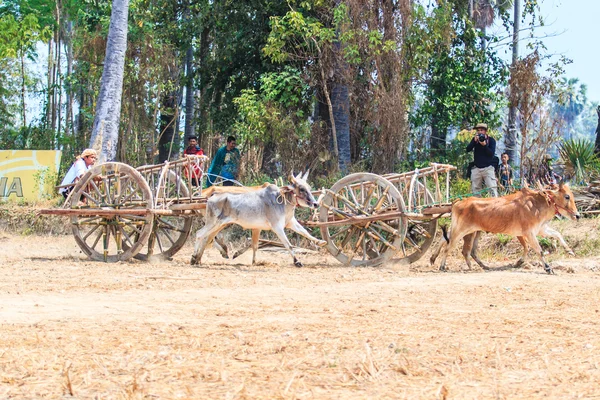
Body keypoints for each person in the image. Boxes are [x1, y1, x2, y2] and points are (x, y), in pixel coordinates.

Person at [466, 123, 498, 197]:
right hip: (477, 168)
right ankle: (478, 206)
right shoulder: (475, 140)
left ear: (485, 131)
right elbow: (468, 149)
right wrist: (474, 141)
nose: (480, 132)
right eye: (478, 130)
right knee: (475, 190)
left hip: (488, 168)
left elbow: (491, 154)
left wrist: (484, 145)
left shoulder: (491, 140)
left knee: (492, 189)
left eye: (481, 130)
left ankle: (495, 205)